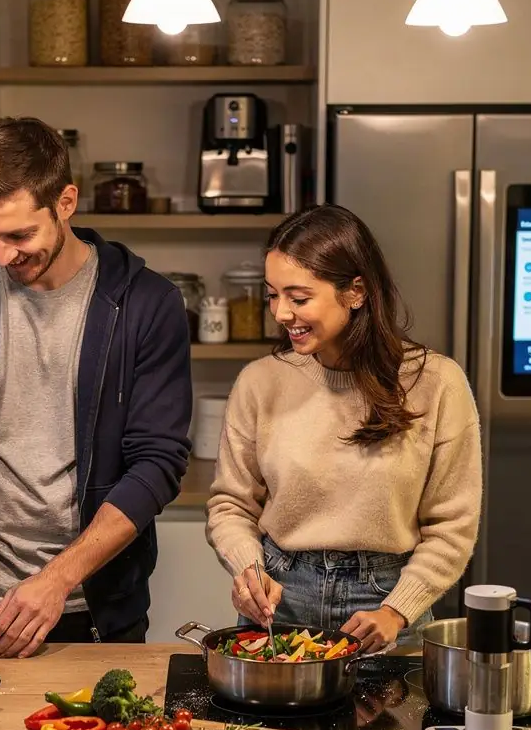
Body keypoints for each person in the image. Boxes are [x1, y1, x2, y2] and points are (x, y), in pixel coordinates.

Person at [0, 116, 192, 657]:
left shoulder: (147, 304)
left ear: (65, 202)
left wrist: (56, 581)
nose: (2, 256)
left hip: (97, 612)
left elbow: (156, 464)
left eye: (20, 235)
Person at [206, 204, 482, 653]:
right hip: (280, 601)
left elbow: (452, 524)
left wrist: (397, 610)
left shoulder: (436, 383)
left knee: (393, 724)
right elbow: (231, 505)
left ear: (355, 292)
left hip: (389, 605)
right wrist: (248, 571)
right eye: (272, 295)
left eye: (298, 298)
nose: (280, 313)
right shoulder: (260, 382)